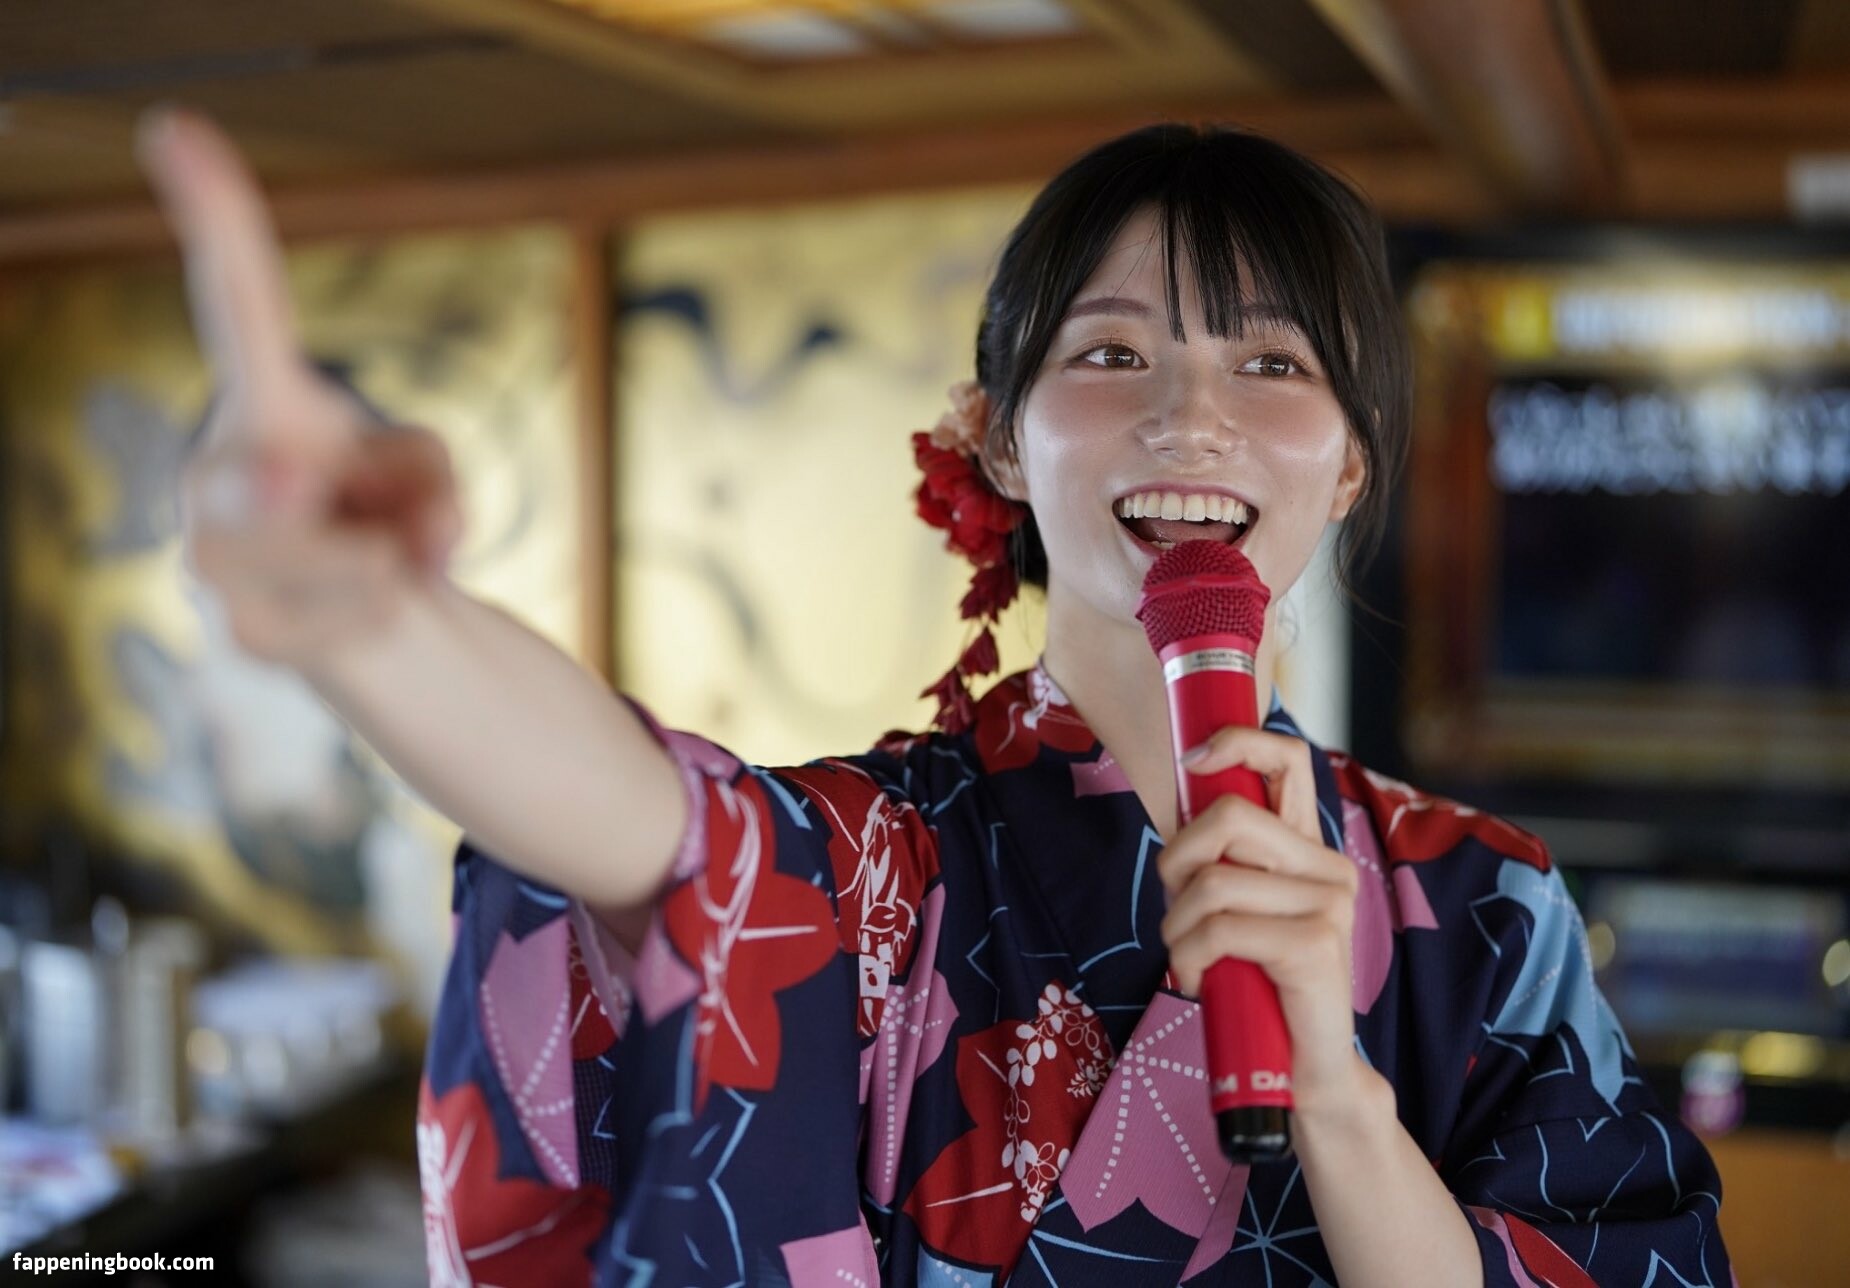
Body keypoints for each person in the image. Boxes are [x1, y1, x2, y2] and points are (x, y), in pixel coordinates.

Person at [138, 111, 1731, 1286]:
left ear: (1355, 462)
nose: (1190, 417)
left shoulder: (1485, 905)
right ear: (995, 437)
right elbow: (657, 838)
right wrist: (378, 625)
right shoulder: (877, 862)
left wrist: (1332, 1090)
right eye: (1110, 357)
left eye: (1272, 367)